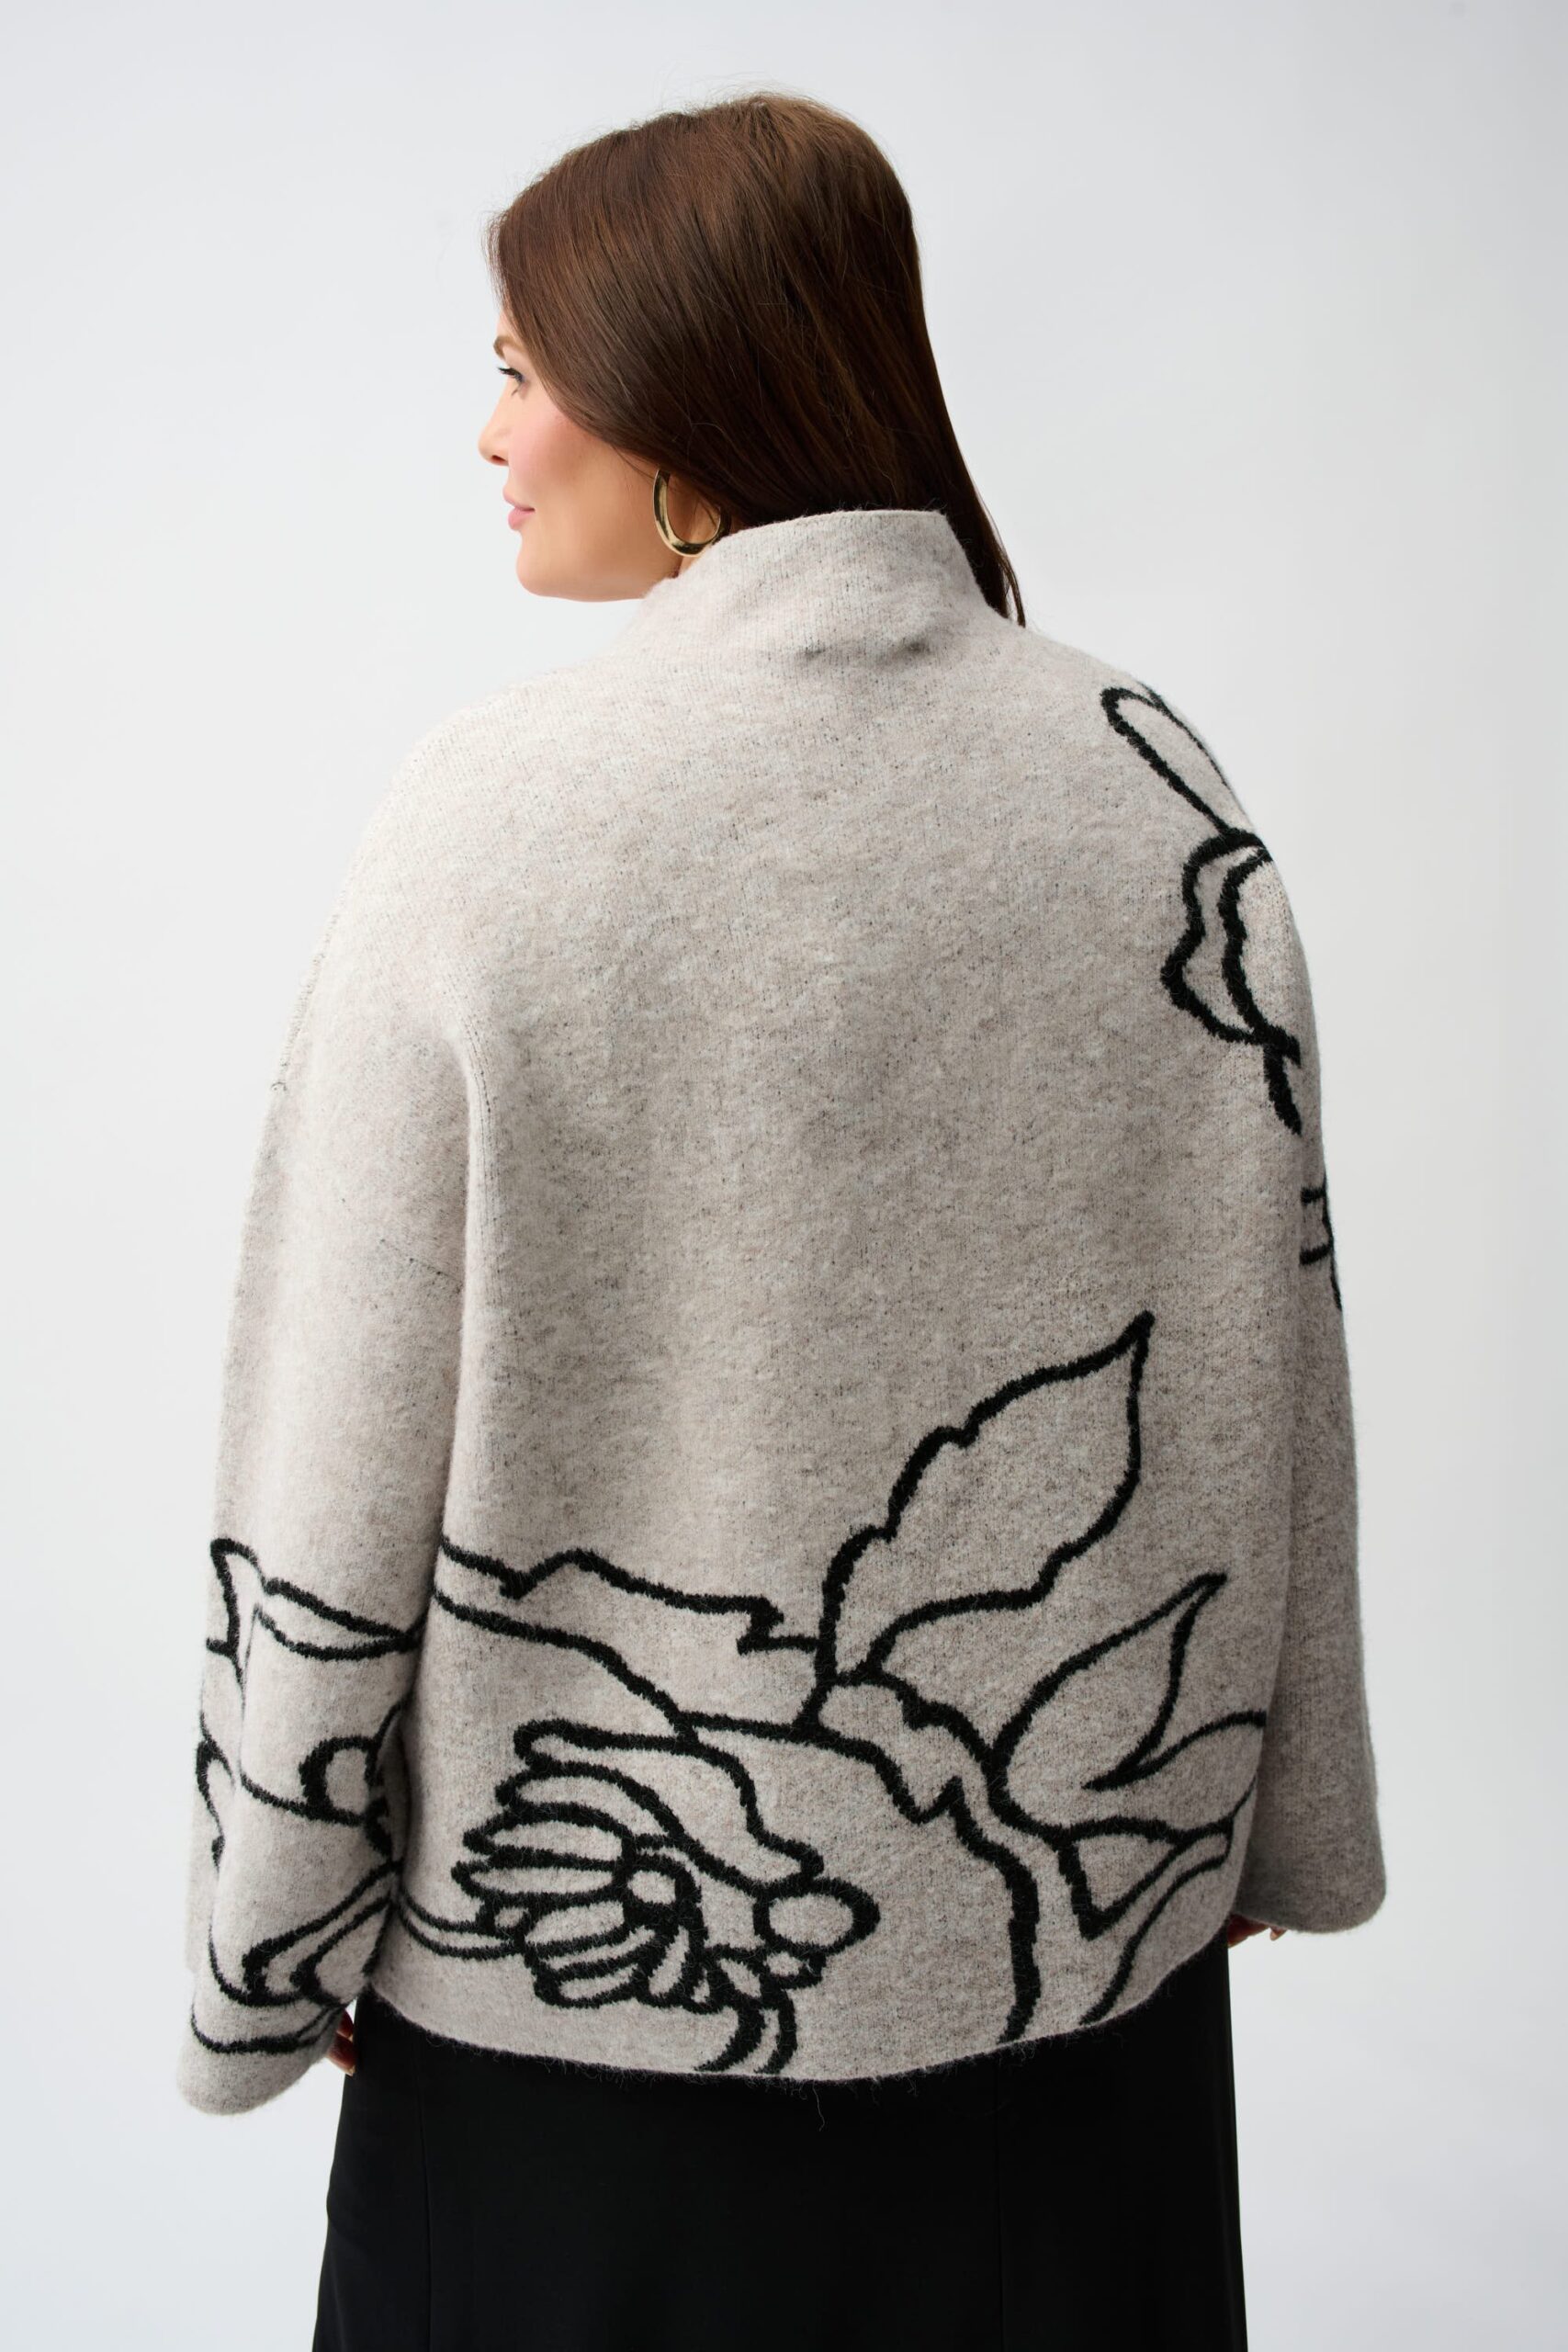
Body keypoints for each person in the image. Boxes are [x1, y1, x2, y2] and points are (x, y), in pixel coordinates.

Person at [176, 89, 1386, 2352]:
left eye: (521, 369)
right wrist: (1266, 1812)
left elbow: (335, 1425)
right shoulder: (1150, 783)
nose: (488, 434)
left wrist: (274, 1921)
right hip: (1076, 2027)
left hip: (579, 2065)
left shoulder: (493, 822)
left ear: (676, 387)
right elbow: (1269, 1341)